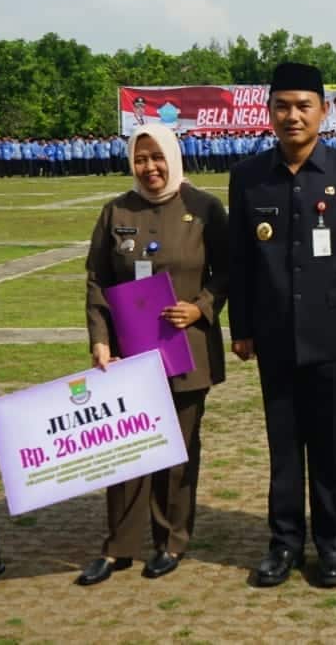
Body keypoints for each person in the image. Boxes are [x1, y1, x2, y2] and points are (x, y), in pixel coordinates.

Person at [227, 62, 336, 589]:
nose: (292, 116)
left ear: (323, 111)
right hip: (272, 334)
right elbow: (241, 261)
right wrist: (241, 326)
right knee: (284, 444)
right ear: (269, 112)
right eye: (282, 106)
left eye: (303, 106)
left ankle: (333, 542)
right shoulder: (248, 176)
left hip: (335, 334)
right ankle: (284, 542)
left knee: (333, 441)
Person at [79, 122, 229, 586]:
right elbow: (97, 280)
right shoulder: (116, 211)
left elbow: (230, 271)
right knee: (126, 450)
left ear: (173, 156)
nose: (150, 168)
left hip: (187, 350)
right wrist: (100, 340)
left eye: (157, 157)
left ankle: (170, 541)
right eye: (141, 159)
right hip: (129, 354)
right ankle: (118, 546)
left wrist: (201, 306)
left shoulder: (204, 208)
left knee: (177, 451)